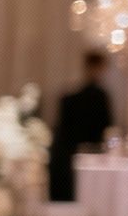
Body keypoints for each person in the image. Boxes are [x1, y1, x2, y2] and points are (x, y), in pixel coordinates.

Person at [48, 50, 115, 202]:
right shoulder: (99, 97)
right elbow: (106, 127)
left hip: (68, 157)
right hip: (87, 157)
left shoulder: (70, 97)